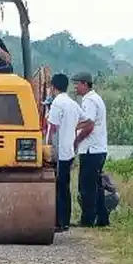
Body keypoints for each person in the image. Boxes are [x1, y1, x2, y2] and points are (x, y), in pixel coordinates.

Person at [45, 73, 81, 232]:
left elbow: (52, 127)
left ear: (53, 87)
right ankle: (65, 220)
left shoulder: (57, 103)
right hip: (70, 150)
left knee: (58, 187)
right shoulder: (72, 103)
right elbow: (85, 120)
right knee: (65, 187)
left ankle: (59, 222)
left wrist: (47, 146)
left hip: (59, 151)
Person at [72, 71, 109, 227]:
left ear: (85, 84)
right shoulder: (95, 98)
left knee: (86, 186)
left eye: (77, 84)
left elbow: (89, 125)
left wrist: (76, 140)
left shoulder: (89, 101)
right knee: (96, 185)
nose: (75, 87)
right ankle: (102, 218)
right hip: (98, 148)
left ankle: (88, 219)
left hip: (91, 149)